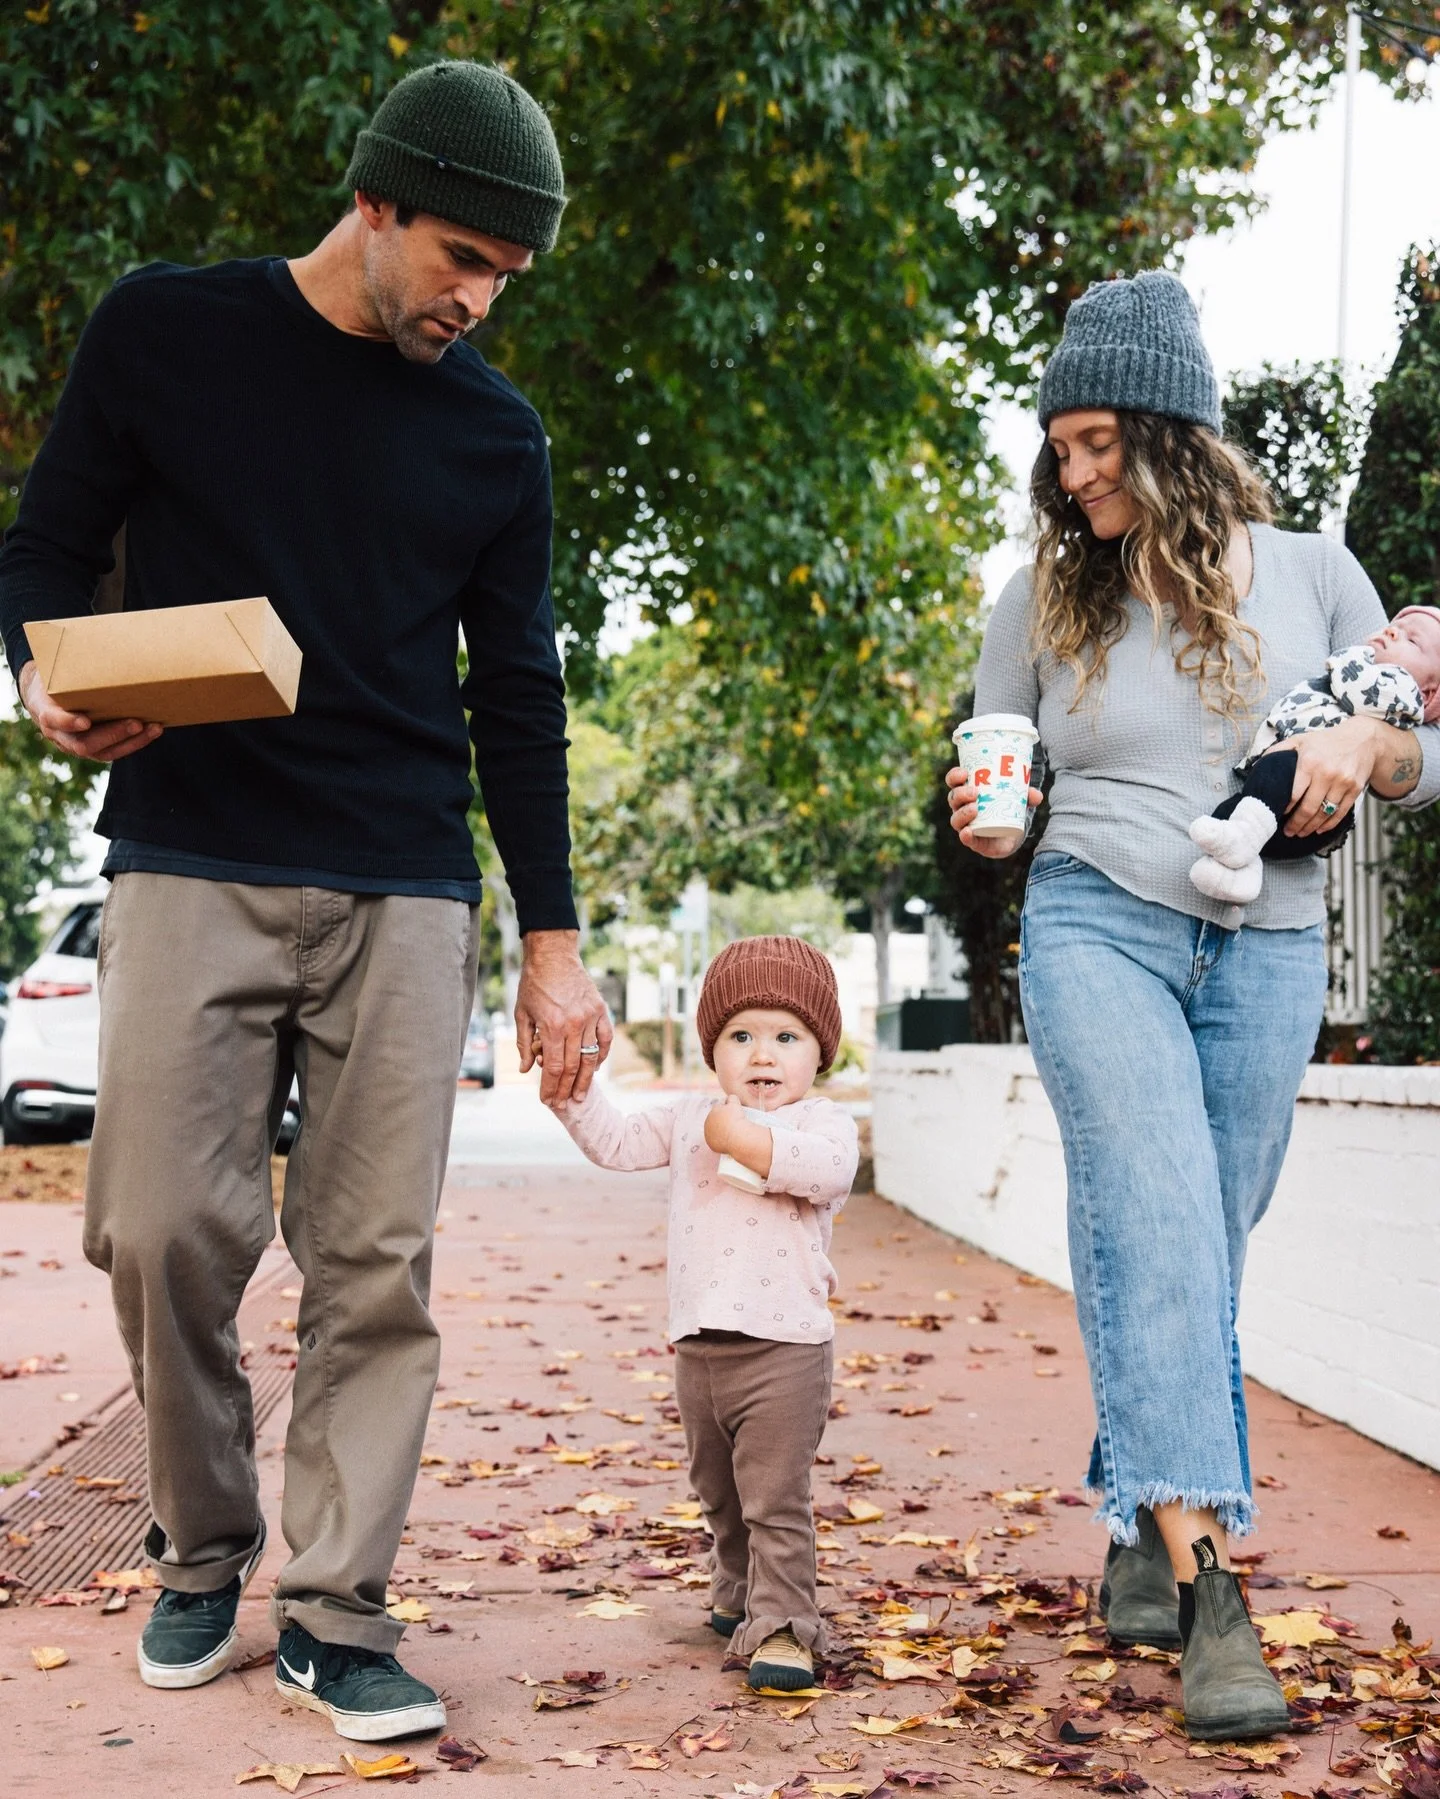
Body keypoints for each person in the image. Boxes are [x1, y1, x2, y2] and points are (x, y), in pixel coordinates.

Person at [0, 60, 612, 1741]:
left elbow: (522, 695)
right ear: (377, 202)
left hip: (405, 876)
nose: (479, 302)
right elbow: (41, 552)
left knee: (372, 1261)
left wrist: (551, 943)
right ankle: (204, 1535)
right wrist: (45, 680)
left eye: (509, 278)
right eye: (463, 258)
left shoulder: (498, 436)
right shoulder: (164, 332)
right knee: (157, 1226)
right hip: (192, 843)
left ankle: (338, 1606)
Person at [945, 271, 1440, 1741]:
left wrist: (1366, 741)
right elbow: (997, 760)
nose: (1074, 471)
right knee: (1158, 1217)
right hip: (1096, 918)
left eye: (1098, 441)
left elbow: (1427, 755)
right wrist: (989, 812)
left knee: (1201, 1241)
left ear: (1174, 433)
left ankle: (1132, 1511)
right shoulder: (1038, 598)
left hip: (1269, 942)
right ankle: (1213, 1589)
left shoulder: (1314, 574)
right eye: (1061, 450)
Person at [548, 936, 858, 1693]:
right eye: (740, 1035)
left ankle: (786, 1624)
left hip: (784, 1352)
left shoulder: (823, 1125)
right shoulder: (691, 1114)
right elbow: (617, 1142)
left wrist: (745, 1138)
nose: (763, 1053)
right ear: (713, 1049)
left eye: (786, 1037)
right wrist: (574, 1091)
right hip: (699, 1350)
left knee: (774, 1498)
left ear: (819, 1051)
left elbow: (822, 1175)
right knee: (719, 1491)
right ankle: (738, 1590)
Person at [1188, 605, 1440, 903]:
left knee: (1271, 779)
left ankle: (1243, 840)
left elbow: (1357, 689)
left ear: (1429, 693)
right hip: (1293, 804)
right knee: (1230, 820)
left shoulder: (1402, 692)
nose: (1392, 630)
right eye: (1395, 626)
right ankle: (1240, 873)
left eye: (1412, 640)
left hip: (1314, 798)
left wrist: (1355, 654)